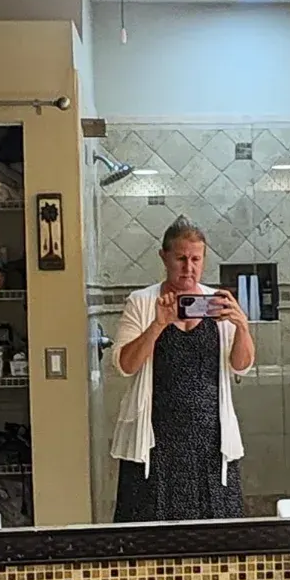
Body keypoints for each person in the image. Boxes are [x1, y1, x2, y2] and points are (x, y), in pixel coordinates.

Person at [111, 220, 255, 522]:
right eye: (181, 258)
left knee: (215, 529)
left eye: (196, 259)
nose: (188, 267)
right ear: (164, 257)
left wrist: (241, 326)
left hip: (211, 439)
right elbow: (126, 365)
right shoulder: (141, 302)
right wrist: (158, 324)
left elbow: (241, 364)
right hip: (154, 439)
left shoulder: (217, 302)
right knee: (149, 526)